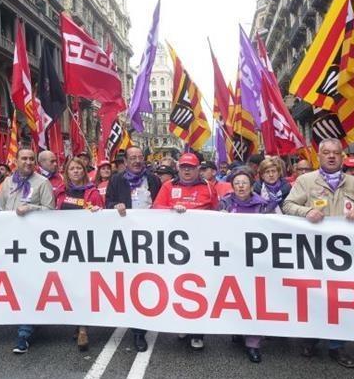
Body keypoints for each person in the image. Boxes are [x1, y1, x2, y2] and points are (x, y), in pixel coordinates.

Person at [282, 138, 354, 368]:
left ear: (342, 156)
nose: (331, 156)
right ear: (318, 156)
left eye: (336, 153)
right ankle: (311, 338)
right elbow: (288, 206)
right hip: (313, 252)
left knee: (339, 298)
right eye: (326, 153)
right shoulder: (306, 181)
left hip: (345, 254)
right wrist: (306, 211)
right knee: (314, 297)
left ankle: (337, 346)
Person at [153, 152, 218, 352]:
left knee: (199, 289)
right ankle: (181, 324)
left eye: (191, 167)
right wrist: (171, 211)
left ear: (199, 169)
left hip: (201, 248)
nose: (187, 170)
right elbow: (156, 209)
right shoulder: (168, 186)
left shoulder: (208, 187)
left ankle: (198, 332)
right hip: (175, 250)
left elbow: (217, 212)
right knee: (177, 288)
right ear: (178, 168)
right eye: (183, 167)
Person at [105, 145, 162, 352]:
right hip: (126, 240)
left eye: (140, 157)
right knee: (132, 284)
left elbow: (161, 204)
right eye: (133, 158)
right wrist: (114, 206)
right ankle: (138, 332)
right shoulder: (116, 180)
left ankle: (147, 322)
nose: (137, 161)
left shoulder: (153, 180)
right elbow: (108, 202)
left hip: (151, 239)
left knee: (148, 282)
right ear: (126, 162)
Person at [0, 148, 55, 354]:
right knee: (15, 285)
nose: (28, 162)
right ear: (16, 160)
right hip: (12, 243)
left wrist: (32, 208)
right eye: (24, 158)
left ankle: (24, 333)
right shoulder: (6, 183)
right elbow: (0, 210)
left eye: (32, 159)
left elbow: (50, 212)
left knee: (29, 285)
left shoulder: (42, 183)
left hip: (33, 244)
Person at [218, 168, 276, 363]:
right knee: (235, 297)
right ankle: (237, 331)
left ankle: (253, 343)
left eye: (245, 182)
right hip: (232, 258)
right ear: (232, 186)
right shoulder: (225, 203)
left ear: (252, 185)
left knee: (254, 299)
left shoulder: (264, 205)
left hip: (255, 260)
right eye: (237, 183)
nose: (241, 186)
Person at [55, 158, 104, 352]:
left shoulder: (92, 192)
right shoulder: (60, 192)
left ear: (84, 171)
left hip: (85, 247)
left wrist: (96, 212)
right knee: (69, 287)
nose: (75, 171)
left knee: (83, 286)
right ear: (67, 172)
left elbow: (102, 217)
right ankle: (77, 322)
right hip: (65, 246)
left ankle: (83, 328)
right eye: (72, 168)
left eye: (79, 168)